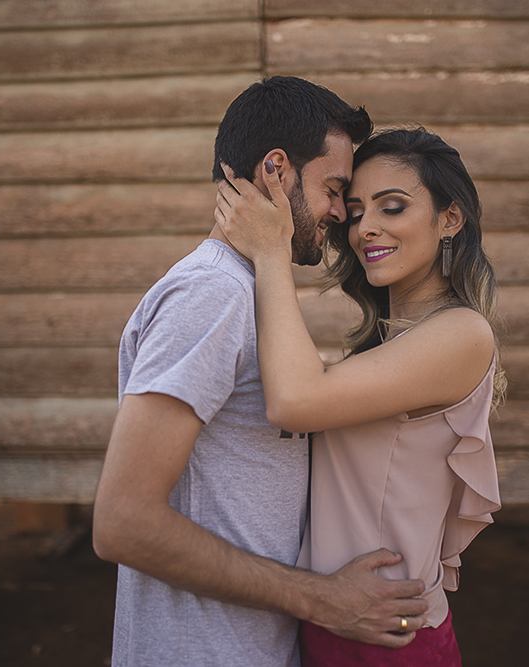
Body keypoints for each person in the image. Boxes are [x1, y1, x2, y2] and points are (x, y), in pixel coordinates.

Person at [92, 78, 429, 667]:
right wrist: (321, 599)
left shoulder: (251, 293)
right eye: (333, 189)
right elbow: (123, 521)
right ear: (276, 170)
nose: (341, 214)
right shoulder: (212, 294)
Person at [214, 127, 506, 666]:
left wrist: (271, 250)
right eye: (353, 211)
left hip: (388, 638)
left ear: (450, 219)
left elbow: (295, 402)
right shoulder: (389, 345)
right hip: (333, 622)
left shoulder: (463, 333)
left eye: (392, 207)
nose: (365, 227)